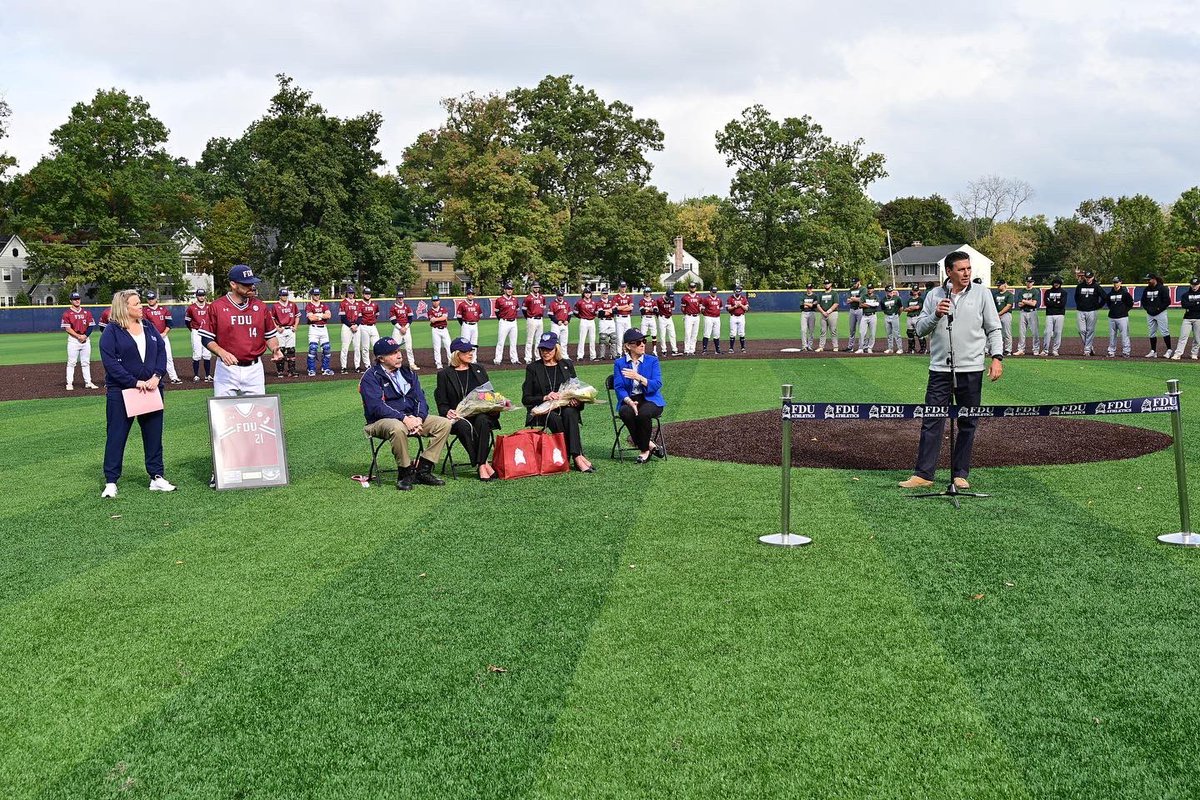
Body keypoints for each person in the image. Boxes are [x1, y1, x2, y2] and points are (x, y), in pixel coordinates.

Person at [899, 251, 1003, 491]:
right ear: (949, 272)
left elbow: (994, 329)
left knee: (967, 422)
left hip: (971, 368)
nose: (967, 273)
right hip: (939, 369)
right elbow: (921, 329)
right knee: (932, 419)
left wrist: (997, 358)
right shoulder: (934, 295)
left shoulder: (982, 294)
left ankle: (960, 473)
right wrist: (936, 314)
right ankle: (924, 474)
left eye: (969, 268)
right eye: (961, 269)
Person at [99, 289, 175, 498]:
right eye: (136, 304)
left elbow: (161, 352)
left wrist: (157, 376)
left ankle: (156, 477)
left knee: (153, 435)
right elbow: (111, 364)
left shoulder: (149, 327)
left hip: (151, 389)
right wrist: (134, 382)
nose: (141, 306)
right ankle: (111, 481)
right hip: (122, 392)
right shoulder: (111, 332)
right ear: (124, 308)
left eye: (140, 303)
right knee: (116, 436)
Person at [360, 337, 450, 491]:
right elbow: (376, 407)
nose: (399, 355)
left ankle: (423, 470)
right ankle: (405, 473)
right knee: (397, 427)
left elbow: (420, 398)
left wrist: (419, 418)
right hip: (380, 421)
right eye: (393, 353)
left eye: (398, 351)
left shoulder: (407, 372)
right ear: (381, 359)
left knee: (444, 424)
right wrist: (404, 418)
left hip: (412, 418)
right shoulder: (371, 376)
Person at [200, 264, 283, 396]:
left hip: (254, 370)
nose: (252, 287)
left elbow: (270, 335)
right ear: (233, 284)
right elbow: (206, 338)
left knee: (256, 413)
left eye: (252, 283)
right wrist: (222, 352)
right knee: (224, 413)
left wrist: (274, 349)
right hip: (226, 369)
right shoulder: (217, 307)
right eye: (246, 284)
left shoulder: (260, 307)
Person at [522, 331, 595, 472]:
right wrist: (545, 397)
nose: (545, 352)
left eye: (549, 349)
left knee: (571, 413)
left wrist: (576, 400)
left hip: (565, 405)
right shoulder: (533, 368)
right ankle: (577, 455)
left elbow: (577, 389)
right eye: (542, 349)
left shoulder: (567, 364)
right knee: (556, 419)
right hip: (543, 409)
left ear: (556, 348)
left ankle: (575, 456)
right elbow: (526, 398)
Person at [434, 337, 500, 480]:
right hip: (458, 417)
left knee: (482, 421)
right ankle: (483, 464)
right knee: (464, 426)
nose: (471, 353)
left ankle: (481, 464)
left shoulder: (479, 369)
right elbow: (442, 404)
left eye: (471, 350)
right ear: (456, 354)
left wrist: (497, 403)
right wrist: (447, 412)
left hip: (480, 414)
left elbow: (490, 394)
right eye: (466, 351)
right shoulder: (444, 375)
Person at [613, 328, 666, 463]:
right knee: (625, 412)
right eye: (638, 342)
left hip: (651, 399)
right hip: (630, 399)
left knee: (643, 414)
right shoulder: (619, 363)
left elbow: (657, 384)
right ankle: (649, 444)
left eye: (643, 341)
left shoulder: (652, 361)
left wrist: (639, 377)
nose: (642, 344)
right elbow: (619, 387)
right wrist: (629, 401)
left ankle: (644, 450)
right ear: (628, 346)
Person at [142, 291, 183, 384]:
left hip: (163, 336)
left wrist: (164, 333)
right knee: (150, 357)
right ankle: (150, 377)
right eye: (149, 299)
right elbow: (144, 326)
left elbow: (169, 324)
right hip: (151, 337)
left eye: (152, 298)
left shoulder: (164, 310)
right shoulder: (144, 311)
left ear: (156, 299)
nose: (151, 300)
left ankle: (174, 377)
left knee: (168, 356)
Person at [61, 291, 98, 390]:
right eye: (74, 299)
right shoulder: (67, 313)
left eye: (78, 299)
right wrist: (78, 336)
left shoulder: (87, 313)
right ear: (71, 301)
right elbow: (67, 328)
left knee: (86, 362)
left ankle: (88, 382)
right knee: (72, 362)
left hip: (85, 340)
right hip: (73, 340)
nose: (77, 301)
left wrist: (85, 336)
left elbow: (91, 326)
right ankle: (69, 383)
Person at [185, 288, 216, 382]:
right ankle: (196, 375)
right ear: (196, 296)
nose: (201, 297)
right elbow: (187, 321)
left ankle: (208, 375)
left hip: (206, 332)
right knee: (197, 354)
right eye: (199, 295)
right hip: (196, 331)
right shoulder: (191, 308)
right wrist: (192, 329)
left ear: (205, 296)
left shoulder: (209, 307)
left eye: (202, 295)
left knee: (207, 353)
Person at [1140, 273, 1172, 357]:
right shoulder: (1146, 289)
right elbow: (1143, 301)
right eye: (1146, 280)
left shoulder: (1162, 288)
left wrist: (1159, 309)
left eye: (1149, 280)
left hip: (1161, 313)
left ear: (1154, 279)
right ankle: (1153, 351)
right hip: (1150, 314)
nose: (1147, 281)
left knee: (1164, 331)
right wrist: (1147, 309)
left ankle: (1169, 350)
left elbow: (1167, 301)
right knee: (1151, 333)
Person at [271, 288, 300, 378]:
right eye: (283, 295)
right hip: (281, 330)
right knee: (281, 350)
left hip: (290, 329)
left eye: (286, 295)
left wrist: (295, 326)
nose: (285, 297)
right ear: (279, 296)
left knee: (291, 350)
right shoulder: (275, 306)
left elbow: (297, 316)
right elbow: (271, 318)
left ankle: (292, 370)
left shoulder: (292, 304)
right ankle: (280, 371)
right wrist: (276, 327)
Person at [304, 287, 334, 376]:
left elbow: (329, 315)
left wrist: (317, 315)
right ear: (312, 295)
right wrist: (322, 315)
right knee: (313, 348)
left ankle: (326, 368)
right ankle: (311, 369)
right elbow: (310, 318)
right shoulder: (309, 305)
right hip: (314, 328)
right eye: (315, 295)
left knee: (327, 349)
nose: (317, 296)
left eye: (318, 294)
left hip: (324, 328)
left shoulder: (324, 305)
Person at [1074, 271, 1104, 356]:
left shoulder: (1096, 286)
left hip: (1092, 311)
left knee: (1090, 331)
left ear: (1093, 277)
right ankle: (1090, 347)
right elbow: (1076, 297)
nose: (1088, 279)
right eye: (1087, 277)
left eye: (1089, 277)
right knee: (1081, 330)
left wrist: (1098, 306)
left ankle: (1087, 350)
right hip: (1081, 311)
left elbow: (1104, 297)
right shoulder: (1080, 286)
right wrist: (1079, 304)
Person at [388, 289, 419, 370]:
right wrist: (400, 328)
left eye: (402, 297)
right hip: (397, 329)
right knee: (394, 348)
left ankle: (412, 364)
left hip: (406, 328)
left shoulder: (407, 307)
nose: (401, 299)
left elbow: (410, 318)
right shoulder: (393, 307)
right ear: (396, 298)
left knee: (409, 347)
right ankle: (394, 364)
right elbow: (393, 320)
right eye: (399, 297)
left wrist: (405, 327)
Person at [1105, 277, 1134, 357]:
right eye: (1114, 282)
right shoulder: (1110, 294)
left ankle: (1126, 351)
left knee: (1124, 335)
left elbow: (1130, 303)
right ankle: (1111, 351)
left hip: (1122, 317)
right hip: (1112, 316)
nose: (1115, 284)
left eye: (1117, 282)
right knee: (1112, 335)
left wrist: (1124, 311)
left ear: (1120, 282)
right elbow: (1108, 303)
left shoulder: (1125, 293)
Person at [1172, 277, 1200, 360]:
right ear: (1190, 285)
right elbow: (1184, 305)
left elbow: (1189, 306)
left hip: (1198, 318)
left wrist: (1191, 305)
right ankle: (1178, 354)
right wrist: (1197, 304)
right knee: (1183, 336)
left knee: (1198, 338)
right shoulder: (1185, 295)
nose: (1194, 286)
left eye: (1196, 285)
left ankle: (1194, 354)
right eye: (1193, 284)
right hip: (1187, 318)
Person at [493, 280, 521, 365]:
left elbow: (517, 309)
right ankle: (497, 359)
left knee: (513, 342)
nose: (510, 290)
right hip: (504, 322)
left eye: (511, 289)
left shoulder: (514, 299)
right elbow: (497, 311)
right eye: (508, 289)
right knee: (501, 342)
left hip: (513, 322)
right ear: (504, 290)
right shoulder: (500, 300)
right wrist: (501, 319)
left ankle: (514, 359)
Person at [338, 286, 362, 373]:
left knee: (357, 347)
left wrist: (356, 325)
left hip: (356, 326)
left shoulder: (357, 303)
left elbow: (360, 317)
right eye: (349, 293)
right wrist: (351, 326)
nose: (351, 294)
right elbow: (343, 317)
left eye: (352, 293)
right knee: (345, 347)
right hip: (346, 327)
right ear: (347, 293)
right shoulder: (343, 303)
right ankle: (343, 367)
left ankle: (357, 366)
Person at [1014, 275, 1041, 355]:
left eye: (1030, 282)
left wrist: (1024, 301)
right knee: (1021, 332)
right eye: (1028, 281)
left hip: (1032, 312)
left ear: (1033, 282)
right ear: (1025, 282)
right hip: (1023, 312)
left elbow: (1033, 304)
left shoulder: (1035, 291)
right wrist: (1029, 301)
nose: (1029, 283)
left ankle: (1036, 349)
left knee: (1035, 332)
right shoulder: (1021, 291)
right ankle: (1021, 349)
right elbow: (1019, 304)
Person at [1041, 276, 1067, 356]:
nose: (1056, 284)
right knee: (1047, 332)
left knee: (1058, 332)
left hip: (1060, 314)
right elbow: (1046, 303)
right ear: (1053, 283)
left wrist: (1052, 303)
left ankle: (1055, 350)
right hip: (1049, 314)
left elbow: (1062, 304)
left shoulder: (1063, 292)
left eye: (1058, 283)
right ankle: (1045, 350)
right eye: (1055, 283)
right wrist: (1057, 303)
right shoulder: (1048, 292)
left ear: (1060, 284)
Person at [357, 287, 381, 372]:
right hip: (364, 326)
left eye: (369, 294)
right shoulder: (359, 304)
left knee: (377, 347)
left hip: (373, 326)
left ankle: (376, 364)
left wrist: (373, 320)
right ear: (363, 294)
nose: (367, 295)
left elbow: (377, 313)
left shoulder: (374, 304)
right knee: (365, 347)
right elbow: (359, 316)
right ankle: (367, 366)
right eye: (366, 293)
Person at [521, 281, 546, 363]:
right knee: (529, 339)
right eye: (535, 287)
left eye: (538, 287)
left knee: (539, 340)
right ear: (532, 287)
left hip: (540, 319)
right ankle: (528, 358)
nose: (536, 288)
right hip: (531, 319)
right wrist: (528, 317)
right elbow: (524, 310)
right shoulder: (528, 298)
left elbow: (543, 307)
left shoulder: (542, 297)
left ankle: (538, 356)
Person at [428, 295, 452, 369]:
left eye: (436, 301)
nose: (435, 302)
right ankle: (438, 363)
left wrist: (436, 319)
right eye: (434, 301)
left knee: (449, 346)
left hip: (444, 329)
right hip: (435, 330)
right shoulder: (430, 311)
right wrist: (440, 318)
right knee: (437, 348)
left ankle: (451, 361)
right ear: (432, 302)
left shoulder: (443, 309)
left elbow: (444, 317)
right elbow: (432, 320)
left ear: (439, 301)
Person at [574, 286, 598, 361]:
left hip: (591, 321)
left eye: (589, 293)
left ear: (591, 294)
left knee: (592, 339)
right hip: (583, 321)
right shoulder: (580, 302)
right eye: (586, 293)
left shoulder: (594, 303)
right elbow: (575, 312)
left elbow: (596, 312)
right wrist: (581, 317)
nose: (587, 294)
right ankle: (580, 356)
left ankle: (593, 356)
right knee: (582, 339)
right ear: (584, 294)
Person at [816, 280, 839, 352]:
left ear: (831, 284)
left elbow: (836, 304)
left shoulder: (834, 293)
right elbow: (818, 304)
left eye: (828, 283)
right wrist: (823, 312)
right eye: (825, 284)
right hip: (823, 313)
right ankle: (821, 346)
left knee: (833, 330)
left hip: (832, 313)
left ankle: (835, 346)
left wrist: (828, 312)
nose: (826, 285)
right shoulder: (821, 294)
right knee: (823, 331)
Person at [993, 280, 1014, 356]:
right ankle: (998, 349)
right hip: (996, 315)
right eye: (997, 285)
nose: (998, 286)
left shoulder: (1009, 294)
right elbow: (993, 305)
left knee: (1007, 332)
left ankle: (1008, 350)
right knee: (997, 333)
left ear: (1004, 285)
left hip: (1006, 314)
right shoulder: (995, 294)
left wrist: (999, 313)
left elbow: (1008, 306)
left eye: (999, 285)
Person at [680, 283, 703, 355]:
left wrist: (701, 310)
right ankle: (686, 350)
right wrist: (686, 314)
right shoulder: (685, 297)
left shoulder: (699, 297)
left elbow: (701, 307)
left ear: (696, 288)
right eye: (691, 287)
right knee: (687, 333)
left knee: (695, 334)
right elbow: (682, 308)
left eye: (694, 287)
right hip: (689, 316)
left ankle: (692, 349)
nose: (692, 288)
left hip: (697, 316)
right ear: (689, 288)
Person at [656, 289, 680, 356]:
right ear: (666, 295)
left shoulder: (672, 300)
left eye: (671, 297)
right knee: (662, 335)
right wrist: (658, 316)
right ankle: (664, 350)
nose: (670, 298)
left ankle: (674, 349)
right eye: (669, 297)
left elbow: (672, 308)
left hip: (669, 318)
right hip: (662, 318)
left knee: (672, 334)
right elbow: (656, 309)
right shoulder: (659, 300)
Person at [700, 285, 723, 355]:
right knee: (707, 333)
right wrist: (706, 314)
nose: (714, 293)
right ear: (710, 292)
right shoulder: (706, 299)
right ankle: (704, 349)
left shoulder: (719, 299)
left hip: (717, 318)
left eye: (715, 292)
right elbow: (702, 309)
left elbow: (721, 308)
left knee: (716, 334)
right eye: (713, 292)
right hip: (708, 317)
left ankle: (717, 349)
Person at [881, 285, 904, 354]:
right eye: (889, 291)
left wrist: (897, 315)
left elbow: (901, 308)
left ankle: (900, 348)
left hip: (894, 315)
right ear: (886, 292)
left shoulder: (897, 298)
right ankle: (890, 348)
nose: (890, 293)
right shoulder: (883, 300)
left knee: (897, 333)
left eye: (891, 291)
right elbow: (883, 309)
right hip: (887, 316)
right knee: (889, 334)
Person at [727, 284, 749, 353]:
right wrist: (735, 306)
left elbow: (747, 308)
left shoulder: (743, 298)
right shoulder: (730, 298)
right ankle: (731, 348)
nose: (738, 292)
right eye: (736, 291)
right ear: (734, 291)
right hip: (733, 316)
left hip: (741, 316)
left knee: (742, 333)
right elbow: (728, 309)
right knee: (732, 333)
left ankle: (742, 348)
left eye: (739, 291)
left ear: (741, 291)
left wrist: (741, 305)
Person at [857, 283, 879, 353]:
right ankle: (861, 348)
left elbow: (876, 305)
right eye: (868, 288)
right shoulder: (864, 296)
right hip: (864, 315)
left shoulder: (876, 296)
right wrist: (870, 305)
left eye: (871, 288)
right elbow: (860, 305)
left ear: (873, 289)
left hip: (873, 316)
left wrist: (866, 304)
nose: (869, 290)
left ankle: (870, 348)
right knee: (861, 332)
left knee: (872, 333)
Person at [597, 287, 618, 359]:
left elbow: (615, 311)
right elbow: (601, 313)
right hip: (603, 321)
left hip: (611, 320)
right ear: (601, 294)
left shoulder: (612, 302)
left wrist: (606, 311)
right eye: (604, 293)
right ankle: (602, 355)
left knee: (613, 337)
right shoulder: (599, 303)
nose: (605, 295)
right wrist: (610, 310)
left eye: (606, 293)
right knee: (603, 338)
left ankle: (614, 354)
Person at [845, 277, 864, 352]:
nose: (854, 284)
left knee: (861, 329)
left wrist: (852, 299)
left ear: (859, 282)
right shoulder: (851, 289)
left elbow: (862, 299)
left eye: (855, 283)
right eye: (853, 283)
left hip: (860, 310)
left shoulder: (863, 289)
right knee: (852, 330)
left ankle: (862, 347)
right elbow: (847, 300)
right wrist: (855, 299)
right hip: (852, 310)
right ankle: (850, 347)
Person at [905, 283, 925, 354]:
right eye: (914, 290)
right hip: (909, 317)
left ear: (918, 291)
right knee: (910, 333)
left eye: (916, 290)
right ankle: (911, 349)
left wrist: (911, 308)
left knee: (919, 333)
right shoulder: (909, 300)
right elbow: (905, 309)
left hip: (917, 317)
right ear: (912, 291)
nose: (915, 292)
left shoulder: (920, 299)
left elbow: (918, 307)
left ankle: (923, 349)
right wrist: (911, 308)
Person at [638, 287, 659, 354]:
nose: (647, 293)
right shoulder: (642, 301)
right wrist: (650, 309)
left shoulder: (653, 301)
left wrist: (647, 308)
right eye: (646, 292)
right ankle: (643, 351)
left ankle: (654, 350)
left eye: (648, 292)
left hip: (652, 318)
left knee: (654, 335)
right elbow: (642, 311)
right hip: (645, 318)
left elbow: (655, 311)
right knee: (643, 335)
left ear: (650, 293)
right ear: (644, 293)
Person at [800, 283, 817, 351]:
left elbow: (815, 306)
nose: (809, 289)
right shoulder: (803, 296)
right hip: (804, 313)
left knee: (811, 330)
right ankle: (804, 346)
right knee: (803, 330)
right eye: (808, 288)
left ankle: (810, 346)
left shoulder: (815, 296)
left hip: (812, 313)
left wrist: (806, 304)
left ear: (812, 288)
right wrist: (811, 304)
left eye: (810, 288)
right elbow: (801, 306)